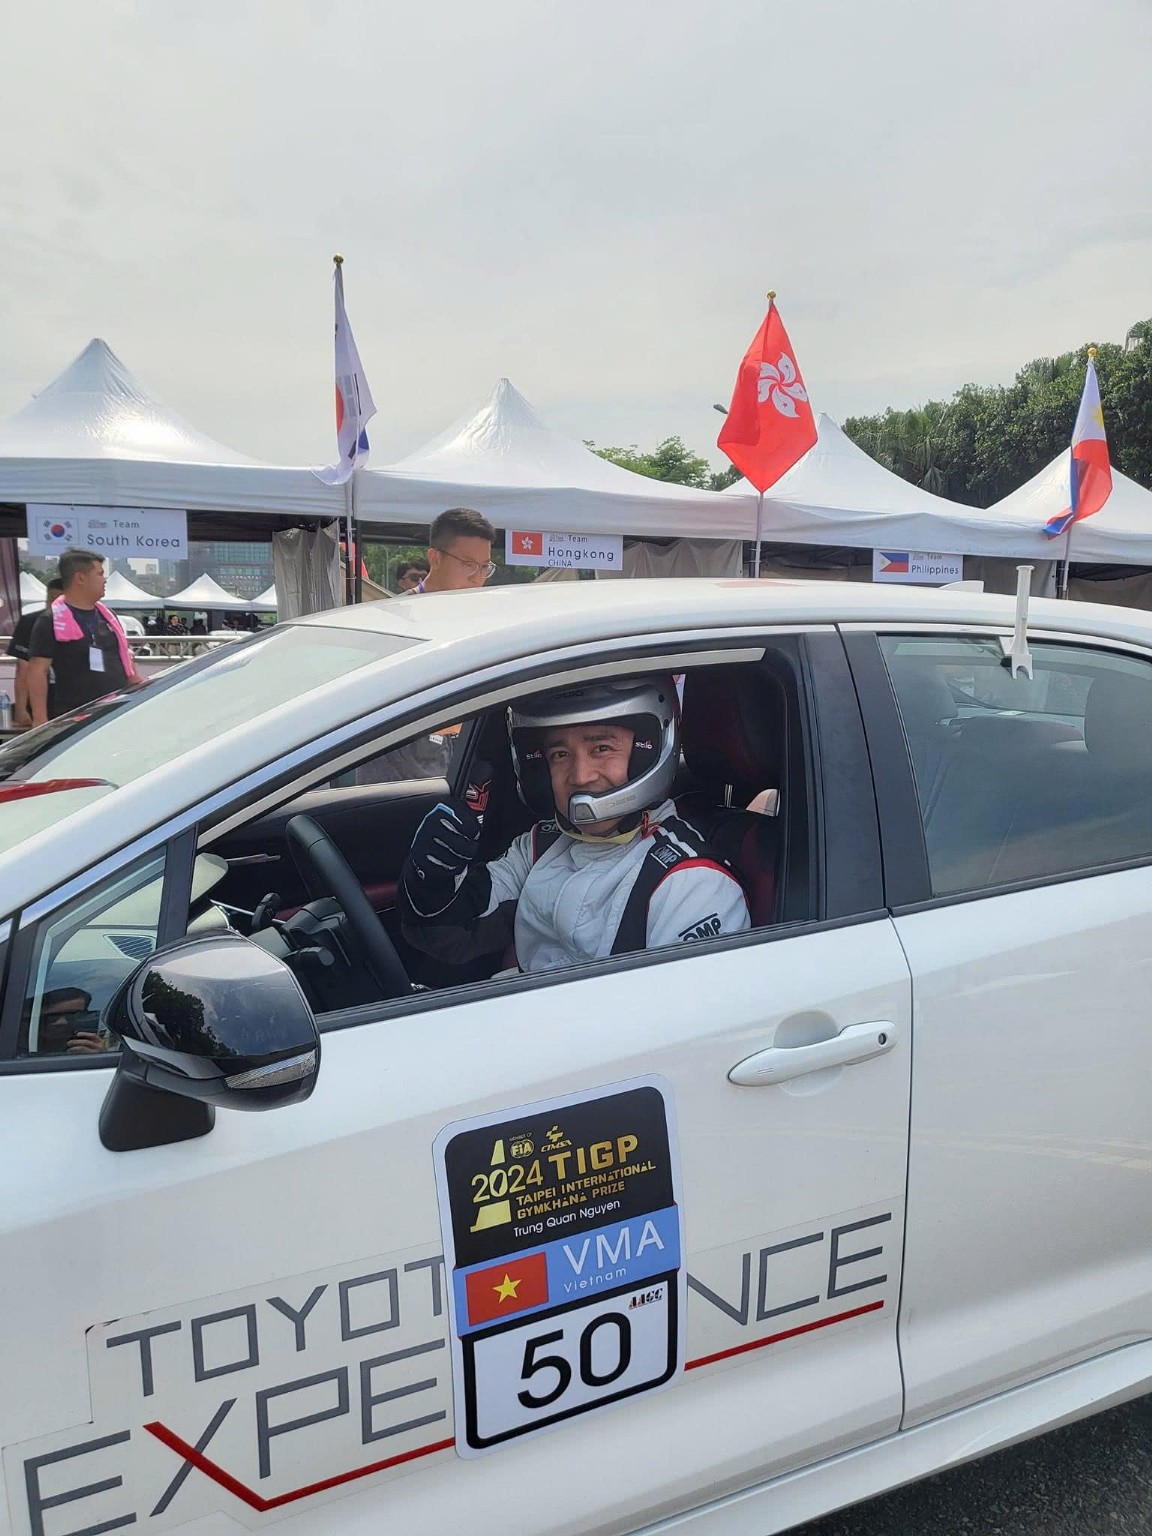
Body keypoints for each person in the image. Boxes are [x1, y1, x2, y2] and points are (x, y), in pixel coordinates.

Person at [399, 675, 750, 973]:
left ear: (648, 750)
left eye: (602, 748)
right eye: (560, 755)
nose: (580, 776)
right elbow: (452, 936)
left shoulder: (691, 885)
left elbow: (679, 1028)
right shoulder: (541, 845)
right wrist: (432, 881)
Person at [26, 551, 141, 726]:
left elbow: (124, 656)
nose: (105, 580)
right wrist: (40, 718)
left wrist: (137, 687)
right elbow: (37, 671)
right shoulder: (51, 620)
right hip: (75, 717)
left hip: (116, 712)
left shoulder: (108, 616)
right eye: (100, 574)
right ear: (80, 578)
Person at [7, 577, 63, 727]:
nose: (54, 604)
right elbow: (23, 668)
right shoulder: (30, 622)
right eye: (52, 599)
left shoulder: (80, 622)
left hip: (70, 695)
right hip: (41, 694)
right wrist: (21, 709)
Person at [419, 508, 497, 592]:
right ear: (435, 558)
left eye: (484, 566)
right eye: (468, 565)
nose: (477, 578)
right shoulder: (409, 600)